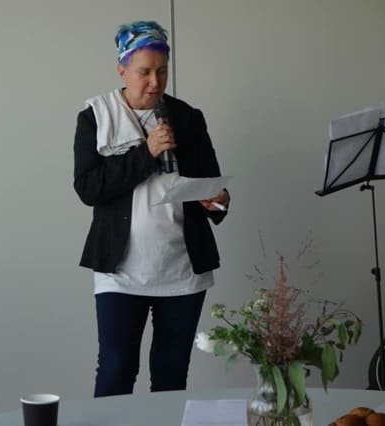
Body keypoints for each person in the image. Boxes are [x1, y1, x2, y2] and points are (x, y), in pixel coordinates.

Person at [73, 20, 230, 398]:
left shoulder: (188, 117)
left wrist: (218, 201)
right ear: (122, 70)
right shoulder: (95, 116)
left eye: (162, 71)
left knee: (171, 376)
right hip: (120, 272)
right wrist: (146, 152)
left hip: (182, 270)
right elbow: (88, 188)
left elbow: (210, 182)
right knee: (115, 370)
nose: (155, 82)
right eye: (144, 72)